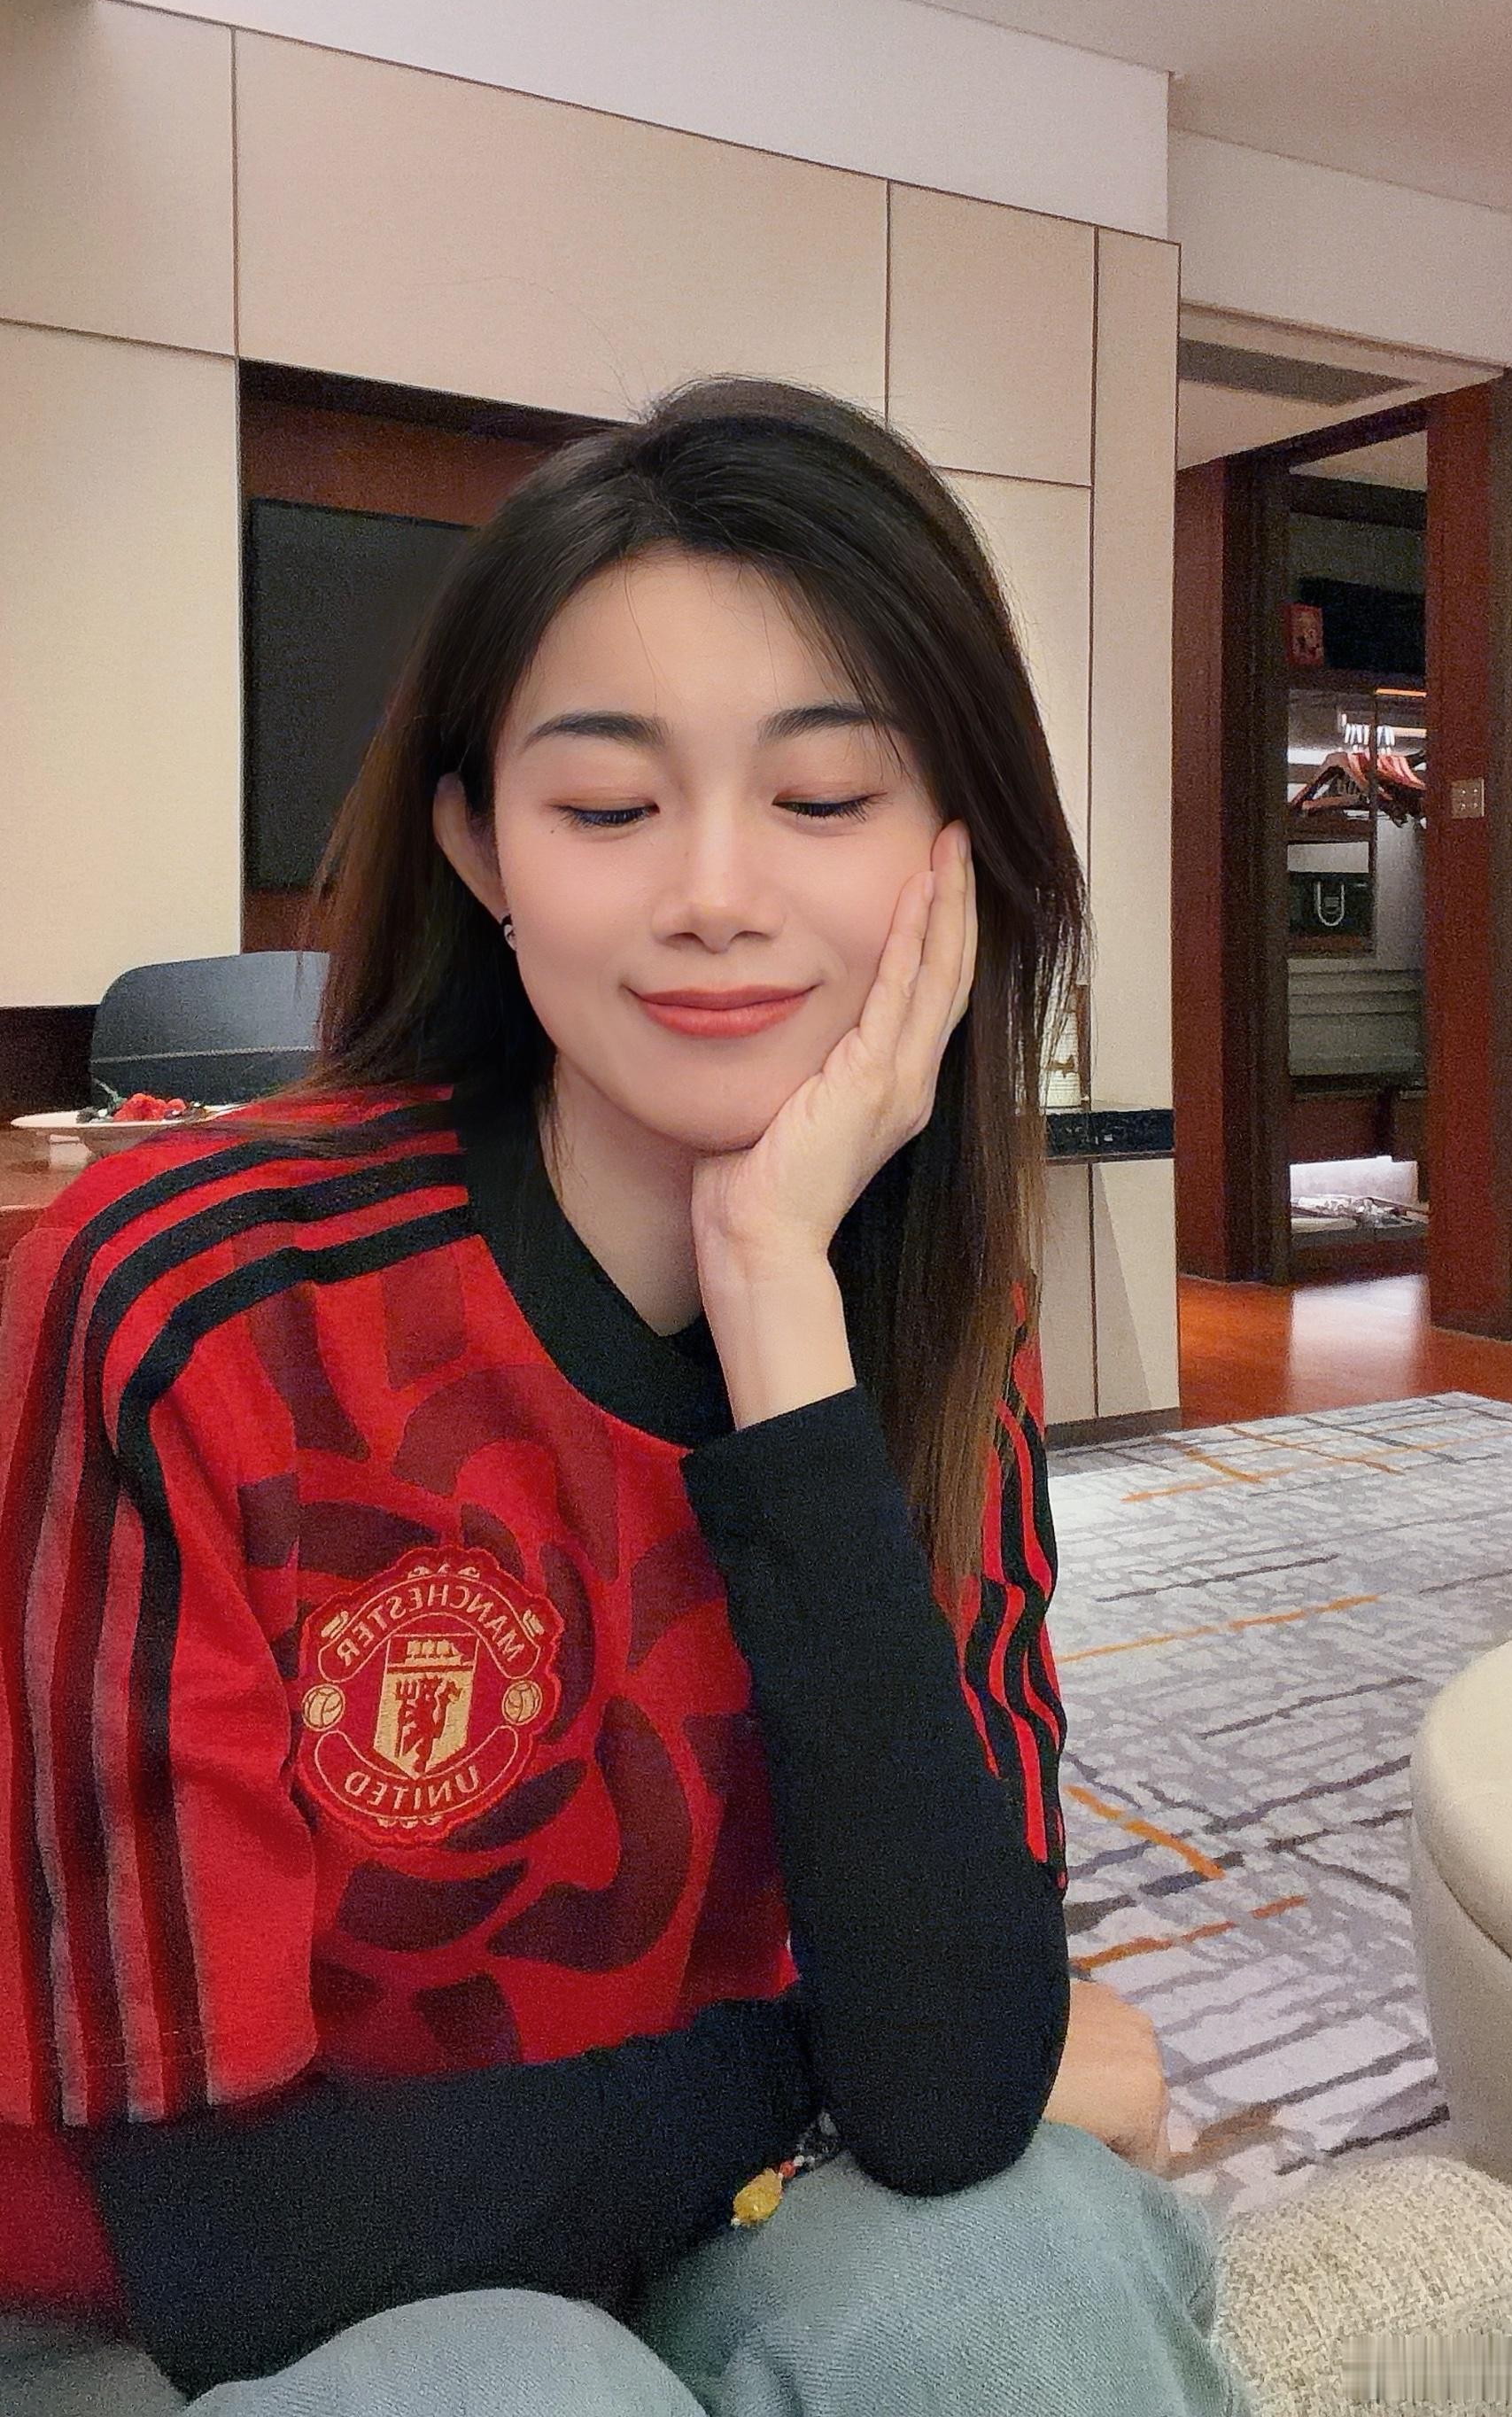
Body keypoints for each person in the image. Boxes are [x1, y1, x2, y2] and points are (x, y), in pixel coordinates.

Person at [0, 378, 1252, 2415]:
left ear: (960, 850)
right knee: (515, 2384)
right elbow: (228, 2246)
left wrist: (777, 1308)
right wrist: (803, 2066)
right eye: (606, 808)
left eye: (824, 798)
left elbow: (951, 2092)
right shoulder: (185, 1302)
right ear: (480, 844)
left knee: (1022, 2267)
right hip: (173, 2306)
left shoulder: (921, 1306)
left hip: (660, 2199)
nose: (715, 893)